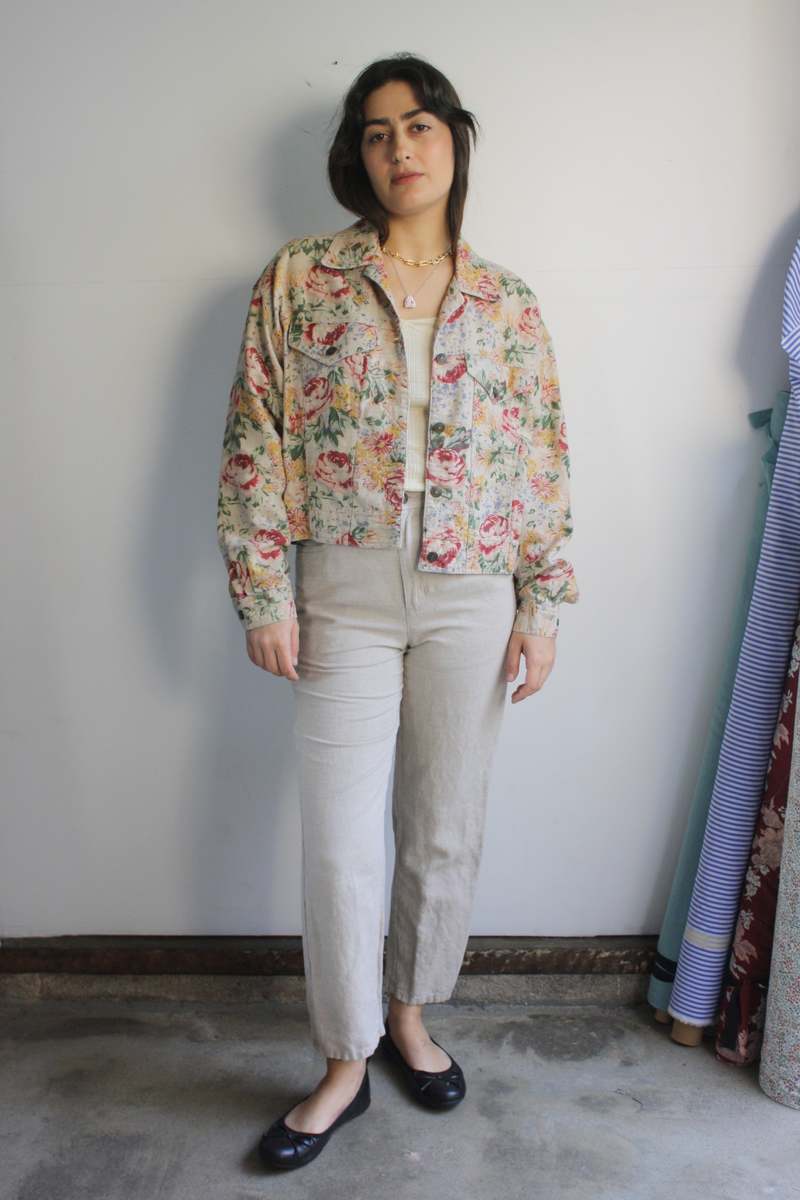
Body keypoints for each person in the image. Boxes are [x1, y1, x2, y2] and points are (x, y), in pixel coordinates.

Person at [216, 52, 580, 1171]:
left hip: (474, 588)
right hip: (345, 586)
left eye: (418, 125)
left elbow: (540, 460)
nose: (399, 149)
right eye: (376, 133)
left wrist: (542, 601)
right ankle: (343, 1059)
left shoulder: (508, 302)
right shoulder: (299, 278)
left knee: (441, 823)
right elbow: (255, 437)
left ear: (452, 139)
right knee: (338, 841)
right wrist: (262, 590)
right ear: (356, 156)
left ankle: (410, 1016)